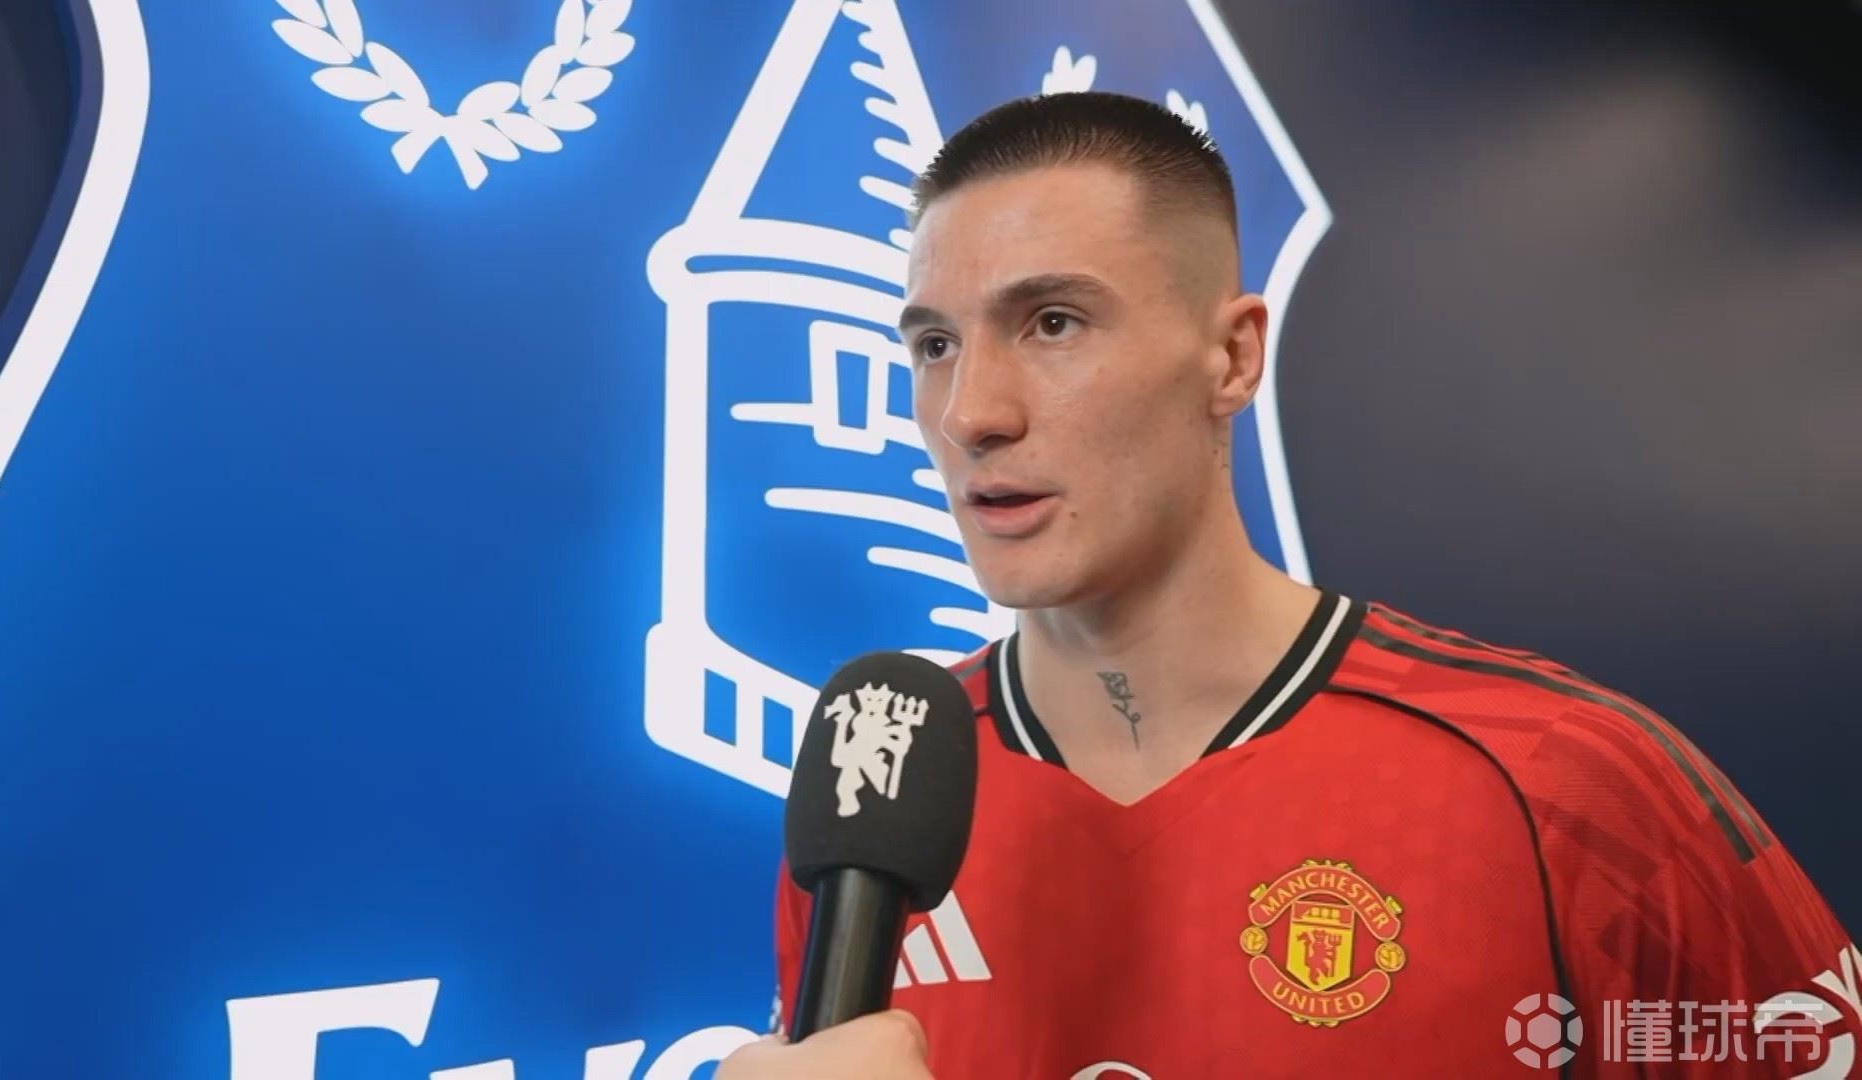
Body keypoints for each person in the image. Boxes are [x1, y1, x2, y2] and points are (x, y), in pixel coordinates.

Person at [717, 91, 1856, 1078]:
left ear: (1233, 355)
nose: (972, 413)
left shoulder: (1562, 782)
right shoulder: (877, 797)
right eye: (934, 346)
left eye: (1053, 323)